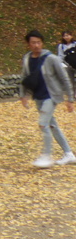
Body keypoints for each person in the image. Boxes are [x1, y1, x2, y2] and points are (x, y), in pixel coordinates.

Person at [21, 29, 76, 167]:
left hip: (51, 96)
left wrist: (70, 98)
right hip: (38, 97)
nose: (36, 45)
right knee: (52, 125)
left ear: (42, 43)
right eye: (33, 43)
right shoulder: (27, 58)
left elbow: (64, 77)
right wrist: (23, 95)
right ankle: (69, 154)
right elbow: (24, 77)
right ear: (28, 44)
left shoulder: (51, 58)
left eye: (39, 42)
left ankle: (46, 156)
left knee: (43, 124)